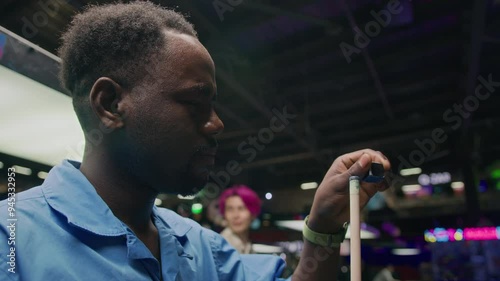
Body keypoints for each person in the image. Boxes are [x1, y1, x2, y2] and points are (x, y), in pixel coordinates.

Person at [0, 2, 391, 280]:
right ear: (111, 104)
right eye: (193, 103)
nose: (217, 124)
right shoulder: (12, 242)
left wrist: (322, 227)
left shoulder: (198, 247)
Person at [218, 184, 261, 254]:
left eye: (242, 209)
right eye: (230, 209)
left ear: (253, 213)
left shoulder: (247, 245)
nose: (235, 215)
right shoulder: (222, 247)